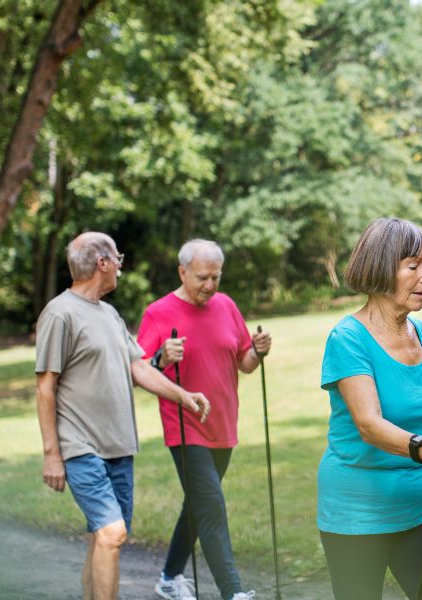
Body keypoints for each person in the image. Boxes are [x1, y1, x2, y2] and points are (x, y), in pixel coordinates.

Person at [35, 232, 210, 600]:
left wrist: (185, 396)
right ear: (102, 263)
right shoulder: (60, 312)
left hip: (117, 445)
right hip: (80, 445)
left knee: (105, 538)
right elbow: (45, 387)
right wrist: (52, 453)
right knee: (112, 533)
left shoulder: (109, 314)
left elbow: (140, 368)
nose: (120, 265)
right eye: (118, 258)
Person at [317, 218, 422, 599]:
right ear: (382, 268)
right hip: (357, 513)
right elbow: (368, 424)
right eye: (413, 266)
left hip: (421, 507)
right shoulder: (348, 338)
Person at [137, 239, 271, 600]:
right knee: (210, 505)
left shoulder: (226, 305)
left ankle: (169, 577)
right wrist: (161, 359)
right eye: (202, 277)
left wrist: (257, 352)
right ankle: (234, 592)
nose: (210, 285)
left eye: (216, 277)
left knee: (197, 504)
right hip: (184, 426)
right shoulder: (158, 313)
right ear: (182, 272)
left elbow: (243, 362)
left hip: (223, 425)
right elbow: (141, 369)